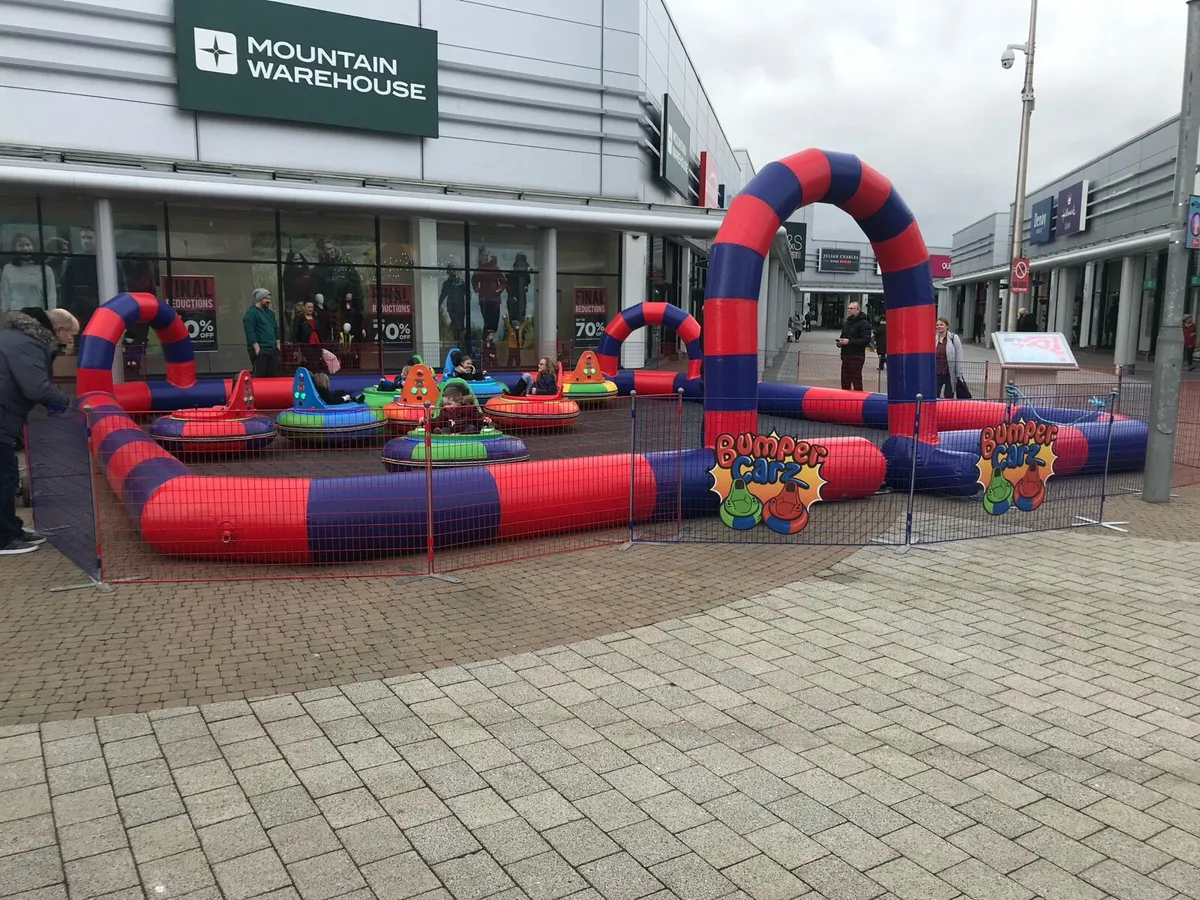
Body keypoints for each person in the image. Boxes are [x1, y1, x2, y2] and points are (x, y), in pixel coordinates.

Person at [0, 307, 78, 555]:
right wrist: (63, 401)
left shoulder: (15, 337)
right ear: (58, 330)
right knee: (5, 477)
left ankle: (12, 530)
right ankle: (4, 538)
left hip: (5, 416)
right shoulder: (29, 344)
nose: (70, 341)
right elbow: (36, 388)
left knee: (7, 474)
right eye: (71, 336)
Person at [1, 234, 57, 312]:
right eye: (21, 245)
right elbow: (4, 295)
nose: (25, 248)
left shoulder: (45, 269)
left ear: (34, 247)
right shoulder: (8, 269)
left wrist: (51, 315)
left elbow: (51, 296)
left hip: (38, 313)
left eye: (28, 245)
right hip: (15, 314)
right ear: (14, 248)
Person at [242, 288, 280, 377]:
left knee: (272, 375)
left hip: (272, 349)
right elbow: (249, 331)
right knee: (259, 375)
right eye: (266, 298)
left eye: (269, 299)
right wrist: (256, 347)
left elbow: (275, 328)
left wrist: (278, 346)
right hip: (260, 349)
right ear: (260, 299)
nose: (269, 301)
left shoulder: (270, 313)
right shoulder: (251, 313)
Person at [836, 300, 873, 391]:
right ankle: (845, 401)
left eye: (851, 308)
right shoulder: (847, 323)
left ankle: (858, 402)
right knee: (845, 381)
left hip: (857, 356)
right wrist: (840, 343)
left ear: (858, 309)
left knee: (856, 380)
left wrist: (849, 342)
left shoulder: (864, 323)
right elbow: (843, 335)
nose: (849, 310)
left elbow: (866, 340)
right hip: (845, 356)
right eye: (848, 308)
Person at [935, 317, 966, 399]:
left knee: (948, 395)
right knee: (934, 395)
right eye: (937, 325)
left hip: (949, 372)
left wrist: (959, 372)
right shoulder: (934, 339)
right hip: (937, 372)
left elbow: (959, 355)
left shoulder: (953, 338)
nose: (939, 326)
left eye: (941, 324)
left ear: (947, 326)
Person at [292, 300, 325, 373]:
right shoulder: (299, 318)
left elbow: (320, 331)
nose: (310, 309)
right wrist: (295, 346)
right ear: (304, 307)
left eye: (311, 307)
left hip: (317, 343)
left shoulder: (315, 318)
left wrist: (322, 343)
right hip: (306, 344)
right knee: (313, 362)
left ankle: (313, 378)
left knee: (316, 362)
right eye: (308, 307)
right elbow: (295, 332)